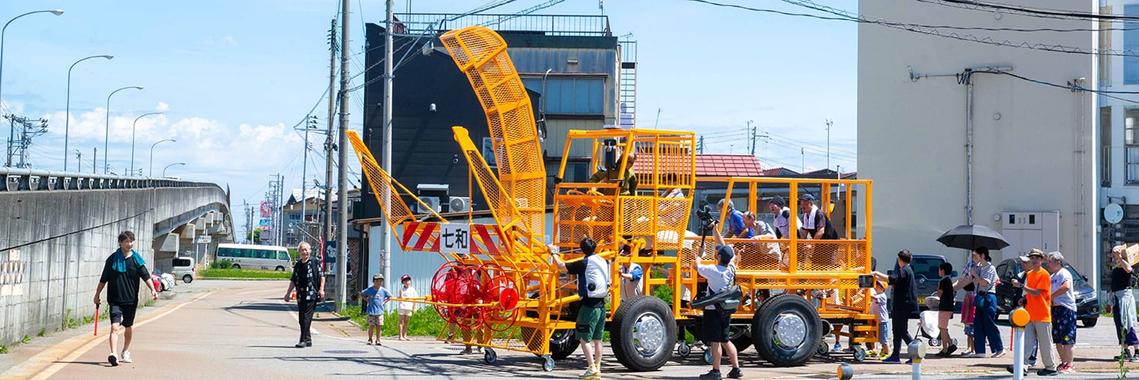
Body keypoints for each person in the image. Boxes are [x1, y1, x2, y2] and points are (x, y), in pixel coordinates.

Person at [93, 231, 159, 367]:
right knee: (114, 327)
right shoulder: (112, 260)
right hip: (115, 300)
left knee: (128, 326)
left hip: (130, 300)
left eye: (132, 241)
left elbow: (146, 276)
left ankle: (125, 350)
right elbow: (103, 279)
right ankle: (113, 354)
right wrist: (97, 294)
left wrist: (152, 289)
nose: (130, 244)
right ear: (120, 243)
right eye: (127, 241)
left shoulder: (136, 259)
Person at [552, 237, 610, 379]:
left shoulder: (585, 263)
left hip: (589, 305)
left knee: (584, 339)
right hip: (602, 305)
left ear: (582, 249)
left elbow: (561, 266)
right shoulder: (603, 260)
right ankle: (598, 367)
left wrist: (553, 252)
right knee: (597, 340)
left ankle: (591, 368)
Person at [693, 223, 742, 379]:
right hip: (726, 309)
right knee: (725, 340)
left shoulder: (713, 271)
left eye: (718, 253)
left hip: (714, 311)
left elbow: (695, 266)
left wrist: (699, 255)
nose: (717, 253)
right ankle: (736, 369)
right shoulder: (731, 268)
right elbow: (725, 247)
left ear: (720, 257)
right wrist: (715, 230)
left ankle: (716, 371)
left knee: (715, 342)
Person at [1014, 249, 1058, 376]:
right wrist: (1024, 299)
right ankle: (1023, 366)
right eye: (1032, 258)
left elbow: (1038, 292)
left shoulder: (1044, 274)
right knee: (1027, 342)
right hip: (1030, 313)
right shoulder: (1030, 274)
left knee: (1045, 343)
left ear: (1041, 259)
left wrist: (1021, 286)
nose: (1034, 260)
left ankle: (1050, 367)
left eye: (1037, 258)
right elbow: (1030, 293)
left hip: (1042, 314)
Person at [955, 247, 1004, 358]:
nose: (973, 258)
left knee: (989, 323)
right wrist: (953, 287)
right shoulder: (978, 268)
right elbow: (967, 280)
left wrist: (975, 275)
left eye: (975, 256)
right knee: (978, 323)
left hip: (989, 297)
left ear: (982, 256)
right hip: (980, 297)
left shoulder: (991, 268)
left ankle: (999, 348)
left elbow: (984, 283)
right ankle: (980, 351)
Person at [871, 250, 919, 364]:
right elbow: (892, 278)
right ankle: (895, 355)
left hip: (902, 305)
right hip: (901, 305)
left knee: (902, 331)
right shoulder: (907, 269)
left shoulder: (904, 270)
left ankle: (916, 354)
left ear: (900, 259)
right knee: (897, 331)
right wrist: (878, 275)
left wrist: (877, 274)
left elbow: (892, 279)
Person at [284, 242, 324, 348]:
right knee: (302, 318)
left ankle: (303, 340)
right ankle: (308, 339)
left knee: (306, 317)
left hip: (311, 294)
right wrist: (288, 293)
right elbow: (293, 280)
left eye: (306, 250)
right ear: (299, 252)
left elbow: (322, 276)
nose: (304, 252)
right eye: (302, 250)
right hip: (301, 294)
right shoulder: (298, 265)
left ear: (310, 251)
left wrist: (321, 290)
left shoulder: (315, 262)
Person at [1045, 251, 1076, 373]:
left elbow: (1066, 286)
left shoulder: (1064, 273)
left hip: (1066, 308)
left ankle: (1070, 363)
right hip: (1055, 308)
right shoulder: (1052, 276)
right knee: (1057, 338)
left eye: (1050, 262)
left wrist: (1052, 296)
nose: (1048, 265)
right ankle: (1063, 362)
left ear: (1058, 262)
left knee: (1067, 338)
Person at [1108, 245, 1139, 362]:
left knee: (1128, 322)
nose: (1114, 256)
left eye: (1115, 253)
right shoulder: (1116, 267)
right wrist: (1109, 301)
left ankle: (1137, 350)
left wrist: (1120, 257)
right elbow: (1113, 285)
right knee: (1119, 325)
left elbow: (1129, 269)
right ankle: (1125, 351)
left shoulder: (1126, 265)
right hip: (1116, 297)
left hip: (1125, 297)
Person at [361, 274, 392, 346]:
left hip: (380, 312)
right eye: (377, 281)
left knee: (379, 326)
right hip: (371, 311)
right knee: (371, 326)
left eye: (380, 281)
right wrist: (367, 300)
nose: (378, 282)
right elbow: (362, 293)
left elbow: (389, 297)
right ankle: (370, 339)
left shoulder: (383, 290)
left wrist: (384, 302)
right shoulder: (369, 290)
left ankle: (378, 339)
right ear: (373, 281)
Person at [935, 262, 957, 356]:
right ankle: (951, 344)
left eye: (939, 269)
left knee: (943, 328)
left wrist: (937, 291)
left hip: (944, 307)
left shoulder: (943, 281)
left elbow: (940, 293)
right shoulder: (949, 280)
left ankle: (945, 349)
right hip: (948, 307)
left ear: (943, 270)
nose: (938, 271)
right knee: (942, 327)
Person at [957, 255, 977, 356]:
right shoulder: (973, 294)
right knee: (971, 334)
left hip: (969, 318)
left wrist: (965, 318)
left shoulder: (968, 296)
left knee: (970, 334)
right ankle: (971, 349)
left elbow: (968, 308)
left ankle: (970, 349)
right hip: (971, 318)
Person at [868, 280, 891, 360]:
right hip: (876, 319)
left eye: (878, 286)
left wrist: (867, 291)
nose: (876, 286)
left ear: (882, 288)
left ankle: (887, 353)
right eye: (876, 285)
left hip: (882, 320)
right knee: (874, 336)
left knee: (883, 338)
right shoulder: (877, 294)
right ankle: (876, 350)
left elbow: (873, 297)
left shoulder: (882, 296)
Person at [397, 274, 418, 341]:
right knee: (401, 321)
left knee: (406, 322)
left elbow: (415, 299)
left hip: (409, 307)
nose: (407, 282)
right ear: (403, 282)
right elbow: (400, 296)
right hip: (402, 306)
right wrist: (400, 296)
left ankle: (405, 335)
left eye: (408, 280)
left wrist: (414, 308)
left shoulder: (412, 289)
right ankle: (400, 336)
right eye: (405, 281)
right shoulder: (402, 289)